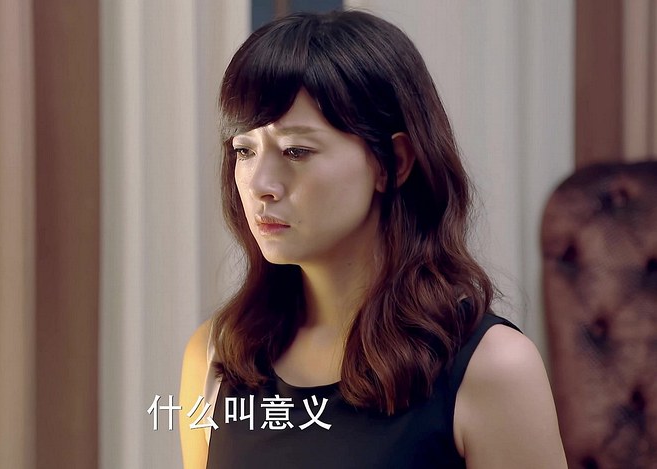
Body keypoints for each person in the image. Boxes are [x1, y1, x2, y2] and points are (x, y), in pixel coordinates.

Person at [179, 10, 566, 469]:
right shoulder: (216, 355)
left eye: (296, 151)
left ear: (393, 162)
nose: (260, 184)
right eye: (244, 150)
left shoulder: (492, 368)